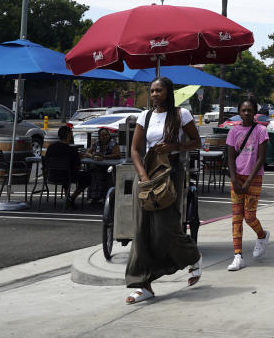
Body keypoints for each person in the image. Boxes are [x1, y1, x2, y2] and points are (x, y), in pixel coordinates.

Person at [124, 77, 203, 305]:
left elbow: (196, 141)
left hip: (170, 172)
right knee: (141, 230)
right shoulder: (145, 116)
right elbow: (135, 150)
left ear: (169, 92)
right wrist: (143, 177)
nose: (154, 94)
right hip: (147, 174)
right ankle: (143, 285)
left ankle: (193, 256)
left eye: (159, 90)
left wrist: (175, 146)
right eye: (152, 91)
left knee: (165, 227)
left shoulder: (181, 115)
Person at [225, 97, 271, 271]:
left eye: (249, 111)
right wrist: (234, 179)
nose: (246, 113)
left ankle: (262, 235)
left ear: (254, 112)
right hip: (237, 178)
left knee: (249, 216)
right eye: (243, 110)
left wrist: (249, 181)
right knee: (237, 218)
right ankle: (238, 256)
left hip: (254, 178)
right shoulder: (233, 132)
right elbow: (230, 157)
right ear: (239, 112)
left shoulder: (260, 130)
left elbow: (261, 158)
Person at [44, 125, 89, 209]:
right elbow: (78, 167)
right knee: (87, 176)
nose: (72, 135)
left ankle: (67, 198)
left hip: (51, 176)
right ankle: (71, 198)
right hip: (66, 177)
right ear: (68, 135)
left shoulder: (50, 147)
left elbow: (46, 161)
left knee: (66, 172)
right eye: (71, 133)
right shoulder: (72, 150)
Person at [83, 129, 121, 203]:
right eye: (103, 135)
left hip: (110, 167)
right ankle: (94, 197)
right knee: (93, 173)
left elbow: (117, 155)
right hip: (99, 166)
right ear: (99, 137)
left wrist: (104, 156)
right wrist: (93, 156)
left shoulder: (113, 143)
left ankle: (105, 197)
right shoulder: (97, 143)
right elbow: (87, 152)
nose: (105, 137)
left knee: (106, 174)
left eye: (106, 135)